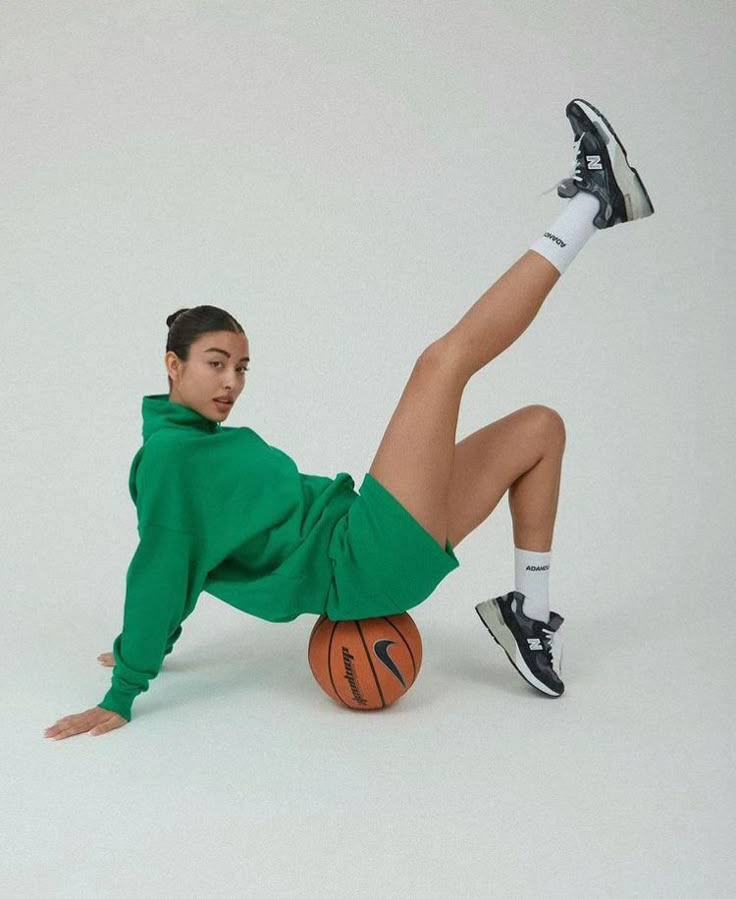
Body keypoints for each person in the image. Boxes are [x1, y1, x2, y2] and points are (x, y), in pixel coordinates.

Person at [44, 98, 654, 740]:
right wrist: (128, 682)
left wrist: (155, 646)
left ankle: (529, 617)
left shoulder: (199, 447)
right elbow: (165, 567)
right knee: (441, 363)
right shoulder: (170, 459)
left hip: (366, 538)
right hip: (357, 561)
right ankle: (592, 205)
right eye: (216, 364)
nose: (232, 382)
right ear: (173, 365)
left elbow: (190, 559)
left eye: (243, 367)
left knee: (539, 427)